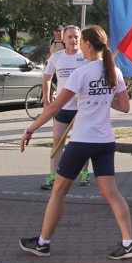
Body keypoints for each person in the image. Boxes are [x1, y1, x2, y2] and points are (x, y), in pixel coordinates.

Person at [20, 25, 132, 259]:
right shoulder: (114, 71)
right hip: (105, 141)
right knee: (112, 193)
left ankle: (43, 243)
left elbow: (55, 106)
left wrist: (30, 129)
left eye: (80, 41)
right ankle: (129, 242)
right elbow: (124, 106)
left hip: (83, 140)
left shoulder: (82, 73)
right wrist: (102, 96)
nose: (79, 46)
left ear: (87, 44)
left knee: (59, 191)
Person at [40, 25, 89, 190]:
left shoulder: (86, 57)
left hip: (81, 107)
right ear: (64, 39)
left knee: (82, 142)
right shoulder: (56, 57)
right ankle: (53, 175)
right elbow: (47, 78)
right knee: (57, 140)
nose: (73, 40)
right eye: (70, 37)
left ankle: (84, 173)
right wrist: (47, 101)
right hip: (61, 107)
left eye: (76, 37)